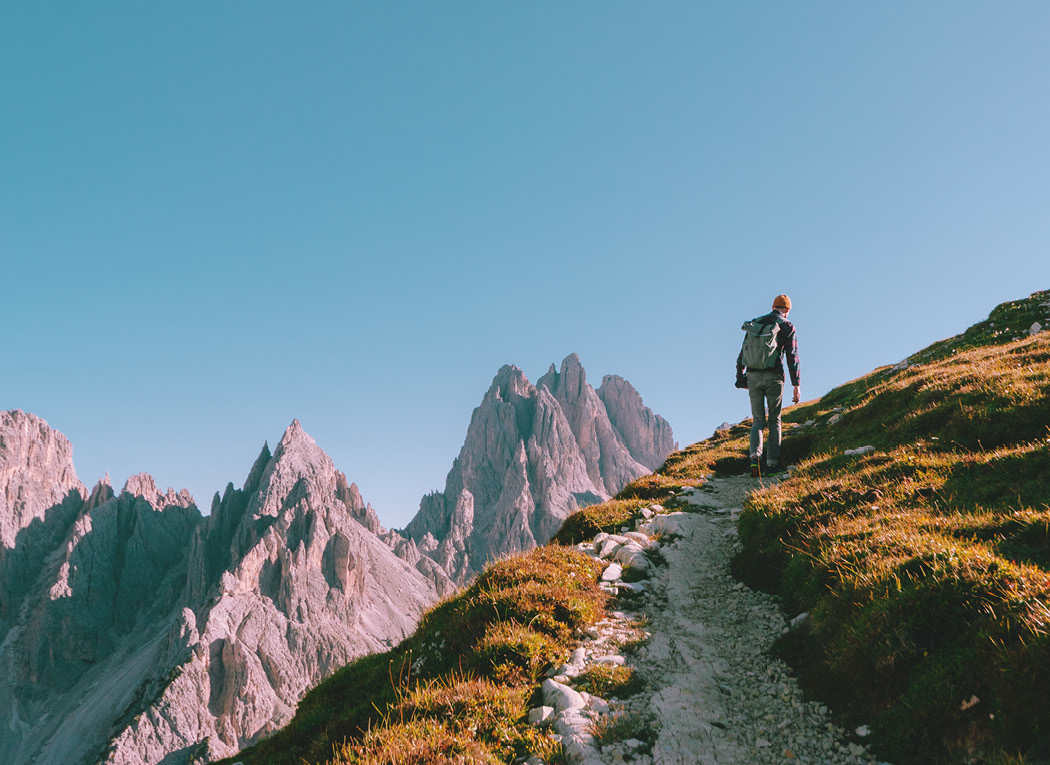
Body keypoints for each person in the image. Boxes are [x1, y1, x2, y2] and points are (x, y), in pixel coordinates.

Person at [735, 294, 801, 477]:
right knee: (774, 421)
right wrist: (796, 384)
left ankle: (754, 458)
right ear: (787, 310)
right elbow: (792, 357)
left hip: (753, 376)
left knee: (757, 421)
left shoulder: (756, 323)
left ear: (773, 306)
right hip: (774, 378)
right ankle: (772, 464)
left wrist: (741, 378)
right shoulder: (787, 326)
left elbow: (742, 353)